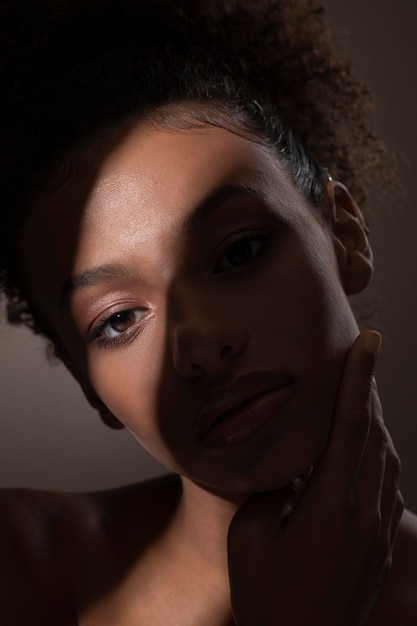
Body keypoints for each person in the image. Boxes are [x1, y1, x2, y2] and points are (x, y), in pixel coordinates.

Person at [0, 0, 416, 623]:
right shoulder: (22, 570)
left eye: (238, 252)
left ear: (345, 235)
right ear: (87, 381)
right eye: (117, 320)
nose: (200, 344)